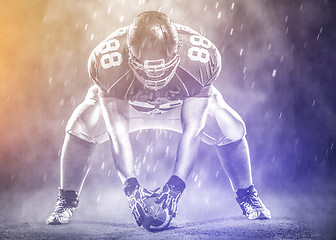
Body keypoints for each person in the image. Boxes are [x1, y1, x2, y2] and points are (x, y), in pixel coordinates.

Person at [46, 11, 271, 227]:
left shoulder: (199, 60)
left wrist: (175, 187)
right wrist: (131, 187)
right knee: (81, 124)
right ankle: (66, 200)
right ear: (128, 55)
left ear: (178, 52)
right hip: (129, 106)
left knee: (229, 126)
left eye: (162, 68)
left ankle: (247, 196)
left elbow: (193, 129)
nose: (155, 77)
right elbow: (118, 132)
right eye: (147, 68)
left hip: (180, 105)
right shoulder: (110, 64)